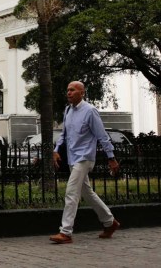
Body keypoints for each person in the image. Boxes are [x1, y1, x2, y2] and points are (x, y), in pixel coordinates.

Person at [49, 81, 120, 244]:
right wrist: (56, 150)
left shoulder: (90, 111)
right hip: (73, 157)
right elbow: (64, 135)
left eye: (72, 90)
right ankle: (110, 223)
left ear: (82, 93)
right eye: (67, 90)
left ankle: (65, 232)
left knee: (71, 191)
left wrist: (111, 158)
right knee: (88, 194)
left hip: (85, 157)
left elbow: (102, 136)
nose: (69, 93)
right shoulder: (67, 110)